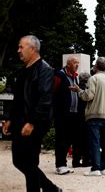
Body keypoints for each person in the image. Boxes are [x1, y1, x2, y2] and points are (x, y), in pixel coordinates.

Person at [2, 35, 61, 191]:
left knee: (29, 163)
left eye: (21, 47)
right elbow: (18, 99)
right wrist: (9, 119)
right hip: (20, 123)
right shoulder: (23, 71)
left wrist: (32, 123)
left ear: (33, 48)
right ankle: (50, 188)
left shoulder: (45, 70)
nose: (18, 51)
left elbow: (45, 100)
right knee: (19, 161)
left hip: (34, 124)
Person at [70, 57, 105, 176]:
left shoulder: (93, 78)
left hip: (94, 115)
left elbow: (88, 96)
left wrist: (79, 91)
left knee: (94, 142)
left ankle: (95, 168)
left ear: (96, 66)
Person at [53, 56, 84, 174]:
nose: (77, 65)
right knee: (61, 139)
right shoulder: (59, 75)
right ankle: (60, 165)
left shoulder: (75, 76)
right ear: (69, 64)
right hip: (62, 114)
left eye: (78, 63)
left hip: (73, 114)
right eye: (75, 63)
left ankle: (64, 164)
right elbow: (53, 92)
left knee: (69, 139)